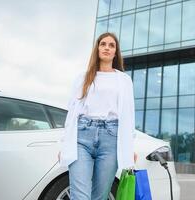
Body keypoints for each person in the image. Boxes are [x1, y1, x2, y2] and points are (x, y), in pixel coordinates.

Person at [58, 32, 136, 200]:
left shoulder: (124, 80)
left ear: (116, 52)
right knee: (80, 196)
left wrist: (129, 148)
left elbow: (129, 115)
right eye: (103, 44)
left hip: (111, 139)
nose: (107, 48)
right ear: (97, 49)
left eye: (111, 45)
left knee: (100, 196)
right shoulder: (83, 77)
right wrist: (64, 143)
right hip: (82, 137)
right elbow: (72, 113)